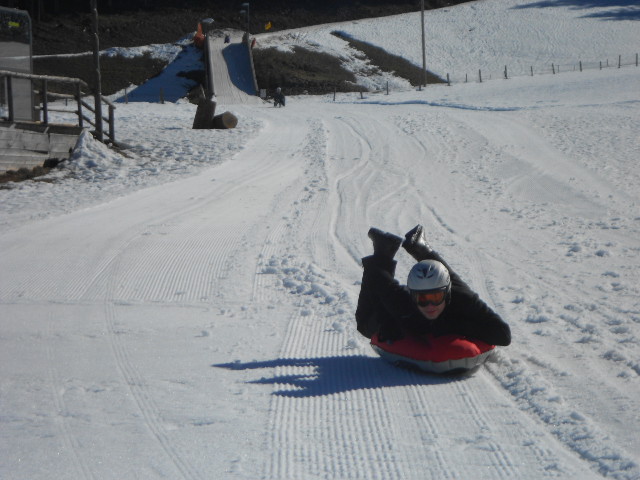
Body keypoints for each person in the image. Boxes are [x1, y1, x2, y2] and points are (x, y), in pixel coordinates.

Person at [355, 225, 511, 347]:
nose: (429, 305)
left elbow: (503, 335)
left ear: (446, 295)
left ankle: (421, 248)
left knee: (452, 280)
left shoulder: (462, 300)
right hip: (410, 301)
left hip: (453, 293)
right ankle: (383, 248)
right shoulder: (406, 303)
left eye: (436, 298)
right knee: (364, 324)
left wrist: (449, 325)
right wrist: (387, 322)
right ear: (413, 296)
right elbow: (376, 277)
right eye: (422, 299)